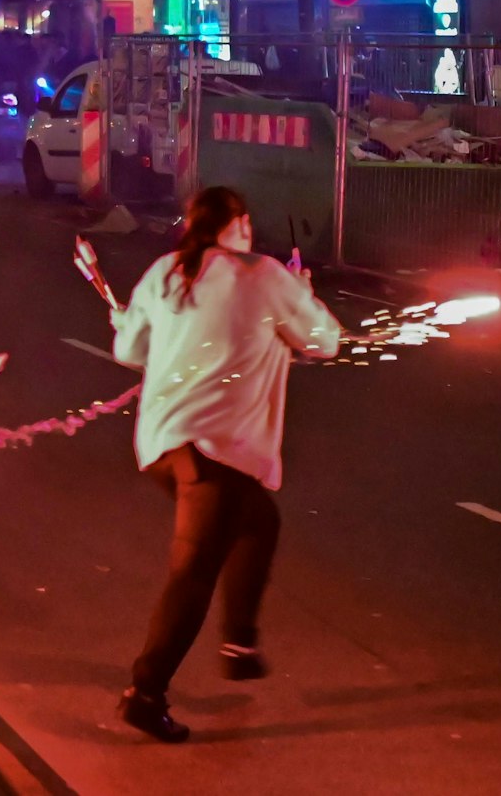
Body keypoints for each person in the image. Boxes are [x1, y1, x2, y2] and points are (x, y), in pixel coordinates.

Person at [110, 186, 340, 742]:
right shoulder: (264, 275)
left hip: (164, 446)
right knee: (193, 573)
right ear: (238, 224)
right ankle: (145, 692)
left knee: (258, 521)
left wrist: (147, 328)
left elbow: (128, 352)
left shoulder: (166, 271)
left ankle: (240, 642)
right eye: (247, 224)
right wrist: (302, 294)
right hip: (216, 454)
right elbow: (324, 341)